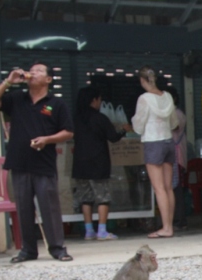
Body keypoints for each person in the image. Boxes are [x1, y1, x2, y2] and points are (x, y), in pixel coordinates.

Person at [0, 62, 74, 262]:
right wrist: (8, 82)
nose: (33, 73)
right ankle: (28, 250)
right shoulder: (17, 99)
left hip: (44, 162)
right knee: (23, 208)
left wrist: (47, 139)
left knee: (49, 207)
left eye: (39, 71)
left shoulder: (56, 104)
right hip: (19, 161)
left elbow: (68, 131)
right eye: (31, 70)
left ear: (48, 79)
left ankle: (57, 248)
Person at [72, 86, 128, 241]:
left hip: (80, 163)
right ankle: (102, 230)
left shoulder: (76, 119)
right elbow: (113, 137)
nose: (100, 102)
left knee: (86, 198)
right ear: (94, 100)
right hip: (98, 162)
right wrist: (123, 130)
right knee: (102, 197)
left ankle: (89, 230)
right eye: (99, 99)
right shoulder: (100, 118)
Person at [131, 65, 178, 239]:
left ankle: (166, 228)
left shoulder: (144, 99)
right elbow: (174, 123)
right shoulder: (167, 96)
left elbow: (138, 125)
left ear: (143, 81)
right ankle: (169, 225)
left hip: (153, 141)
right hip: (168, 141)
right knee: (168, 188)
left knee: (158, 188)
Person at [164, 86, 188, 231]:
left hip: (177, 157)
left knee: (177, 190)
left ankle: (179, 220)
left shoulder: (177, 114)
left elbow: (174, 127)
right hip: (174, 156)